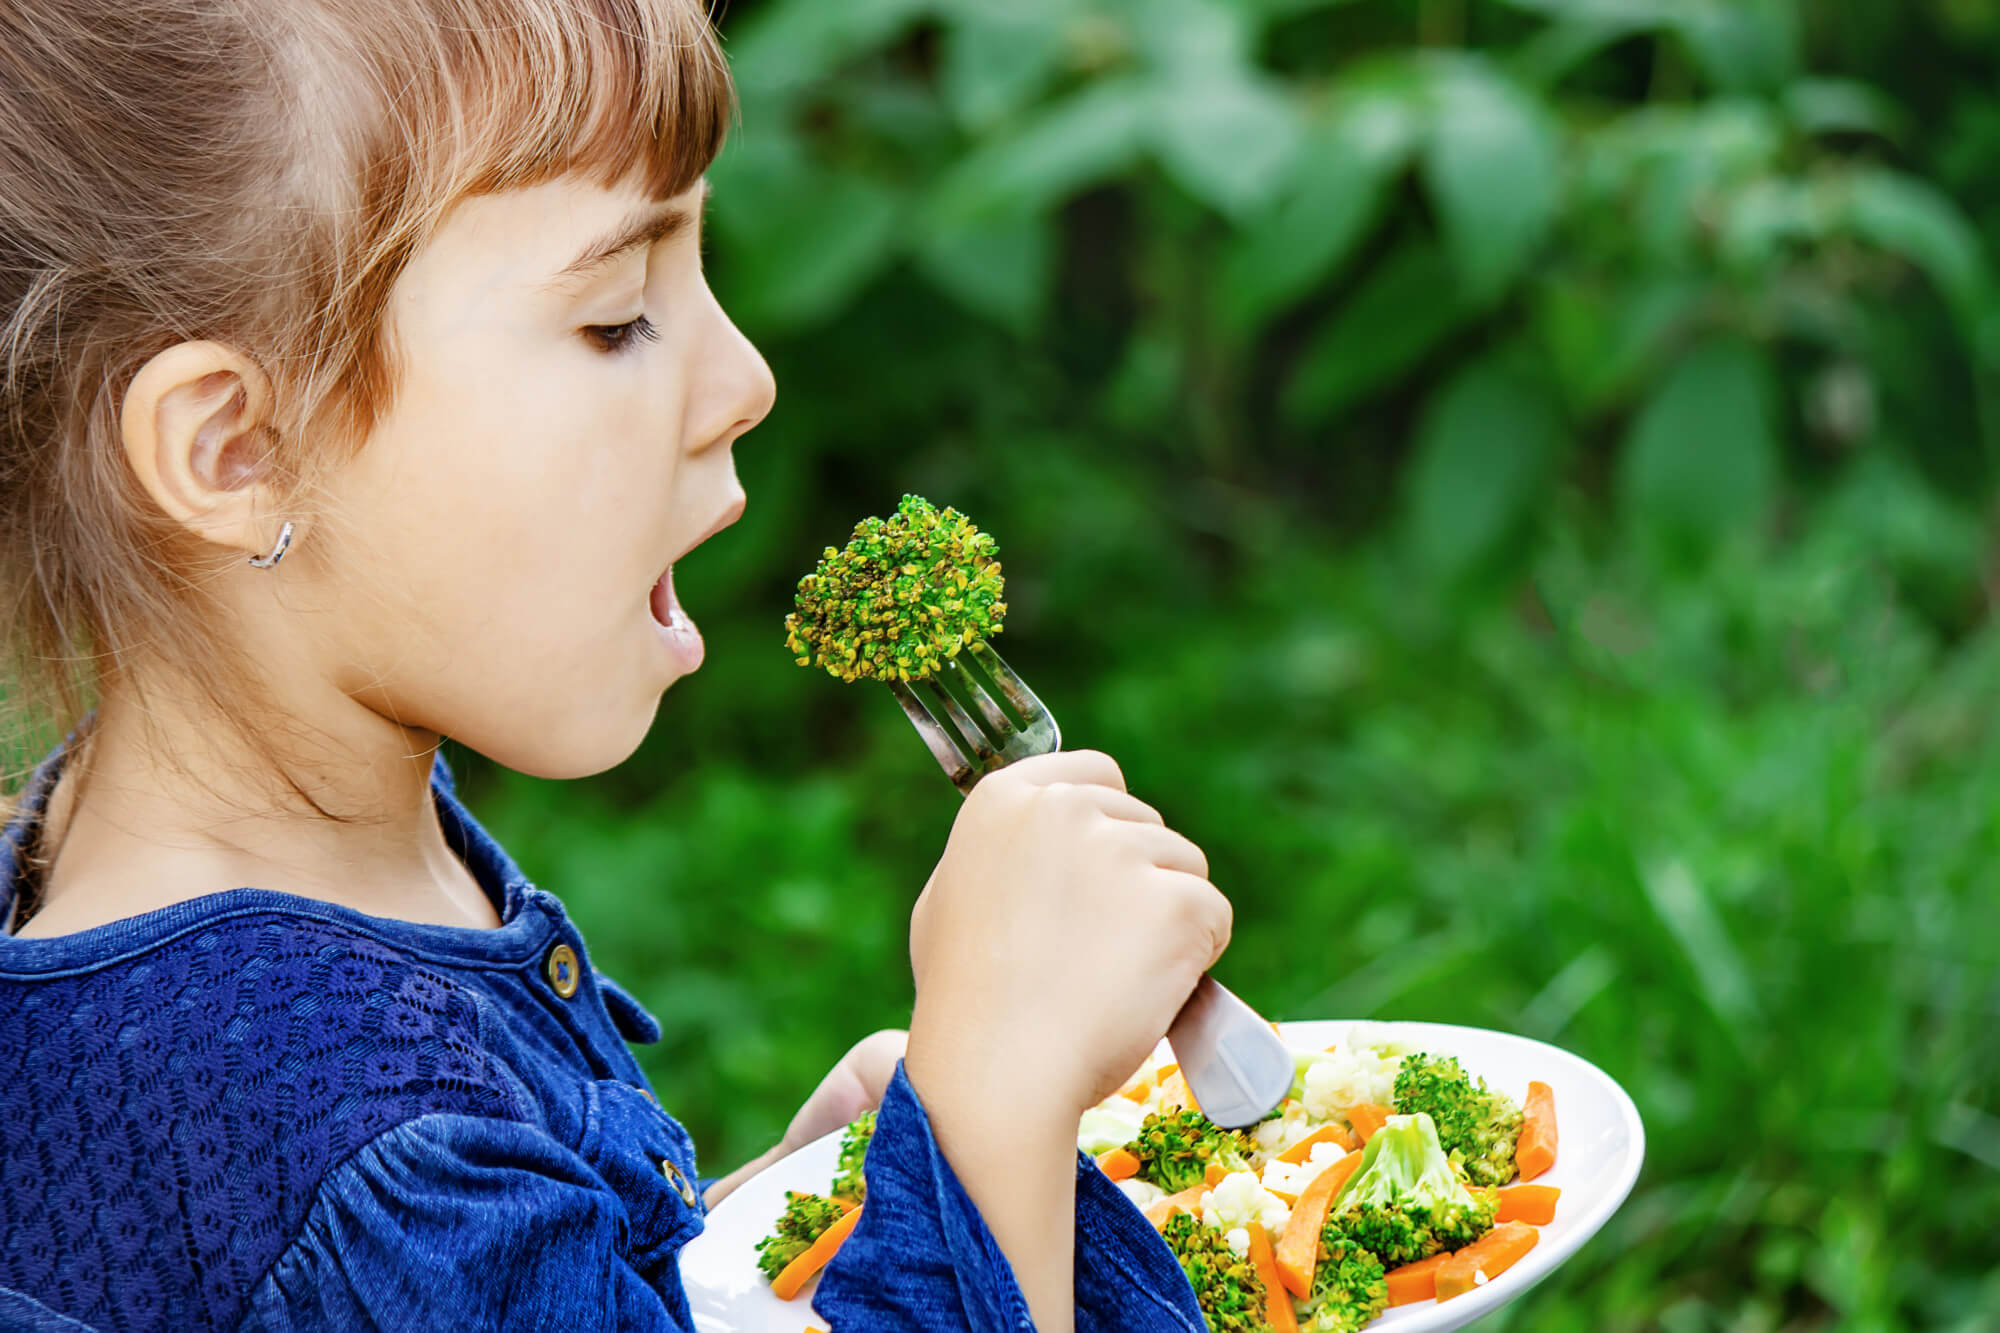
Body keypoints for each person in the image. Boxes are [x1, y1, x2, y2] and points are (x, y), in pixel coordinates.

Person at [0, 1, 1232, 1328]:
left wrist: (789, 1221)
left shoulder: (243, 900)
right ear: (238, 450)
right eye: (617, 317)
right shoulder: (317, 1131)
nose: (745, 380)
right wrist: (990, 1117)